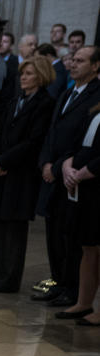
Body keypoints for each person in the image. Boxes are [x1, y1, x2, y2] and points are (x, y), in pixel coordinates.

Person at [0, 55, 54, 292]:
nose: (23, 77)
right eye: (22, 74)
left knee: (14, 228)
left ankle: (9, 279)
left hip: (20, 174)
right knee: (0, 224)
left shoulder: (45, 103)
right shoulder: (16, 101)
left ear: (41, 76)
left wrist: (3, 161)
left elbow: (33, 142)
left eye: (29, 74)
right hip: (1, 170)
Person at [37, 45, 100, 308]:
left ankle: (72, 289)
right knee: (53, 230)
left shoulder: (96, 96)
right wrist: (47, 162)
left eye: (80, 60)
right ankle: (59, 281)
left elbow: (83, 141)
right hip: (55, 169)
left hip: (73, 173)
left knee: (71, 235)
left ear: (96, 66)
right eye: (72, 60)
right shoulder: (66, 93)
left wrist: (61, 164)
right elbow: (53, 131)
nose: (73, 64)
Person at [63, 102, 100, 325]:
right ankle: (83, 301)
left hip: (94, 182)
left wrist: (84, 172)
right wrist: (68, 166)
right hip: (85, 189)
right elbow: (77, 145)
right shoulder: (94, 111)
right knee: (87, 246)